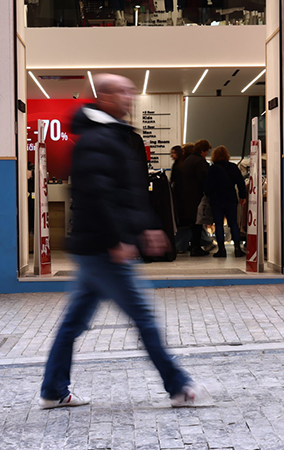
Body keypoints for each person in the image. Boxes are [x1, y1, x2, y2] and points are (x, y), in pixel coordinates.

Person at [39, 74, 205, 409]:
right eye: (122, 91)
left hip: (95, 246)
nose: (129, 96)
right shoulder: (97, 138)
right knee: (143, 315)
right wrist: (118, 238)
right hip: (102, 247)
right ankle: (178, 386)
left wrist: (146, 227)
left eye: (130, 91)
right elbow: (98, 193)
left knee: (73, 322)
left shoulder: (112, 134)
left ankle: (53, 390)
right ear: (104, 97)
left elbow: (126, 191)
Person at [204, 146, 246, 258]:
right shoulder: (233, 167)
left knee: (218, 225)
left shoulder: (212, 169)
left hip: (216, 200)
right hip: (230, 198)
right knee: (233, 224)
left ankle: (221, 250)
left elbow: (207, 186)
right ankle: (237, 249)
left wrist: (209, 195)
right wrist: (242, 196)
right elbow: (240, 183)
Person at [179, 138, 212, 256]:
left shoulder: (188, 160)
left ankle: (194, 246)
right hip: (196, 196)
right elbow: (203, 180)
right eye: (207, 151)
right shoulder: (200, 162)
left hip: (186, 196)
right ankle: (196, 247)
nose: (207, 154)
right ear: (202, 150)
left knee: (193, 223)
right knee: (197, 223)